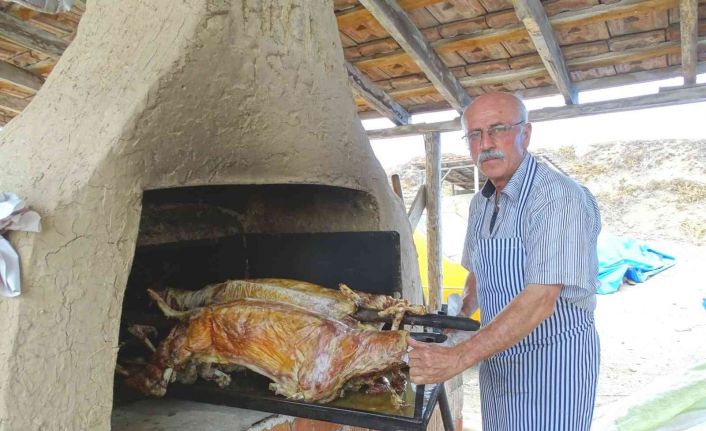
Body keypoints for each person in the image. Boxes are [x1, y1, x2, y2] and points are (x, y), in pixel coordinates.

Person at [407, 92, 601, 430]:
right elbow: (481, 270)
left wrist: (457, 358)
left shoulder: (556, 198)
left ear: (525, 134)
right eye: (475, 134)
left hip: (552, 366)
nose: (486, 143)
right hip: (499, 357)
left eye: (498, 129)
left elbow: (541, 299)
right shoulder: (481, 203)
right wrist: (464, 310)